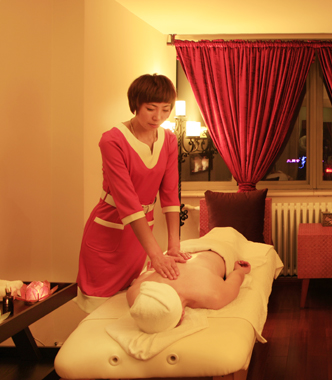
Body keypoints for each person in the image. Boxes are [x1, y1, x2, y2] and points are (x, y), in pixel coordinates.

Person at [76, 73, 191, 313]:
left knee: (132, 309)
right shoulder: (112, 141)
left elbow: (170, 194)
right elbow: (127, 201)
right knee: (100, 313)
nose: (158, 117)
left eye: (165, 109)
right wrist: (156, 254)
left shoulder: (169, 140)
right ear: (135, 104)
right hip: (108, 233)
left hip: (139, 239)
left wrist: (174, 245)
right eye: (150, 109)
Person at [126, 252, 252, 333]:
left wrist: (240, 270)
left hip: (216, 251)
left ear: (182, 315)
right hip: (177, 251)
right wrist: (149, 272)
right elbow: (143, 276)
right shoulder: (136, 294)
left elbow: (236, 277)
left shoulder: (214, 296)